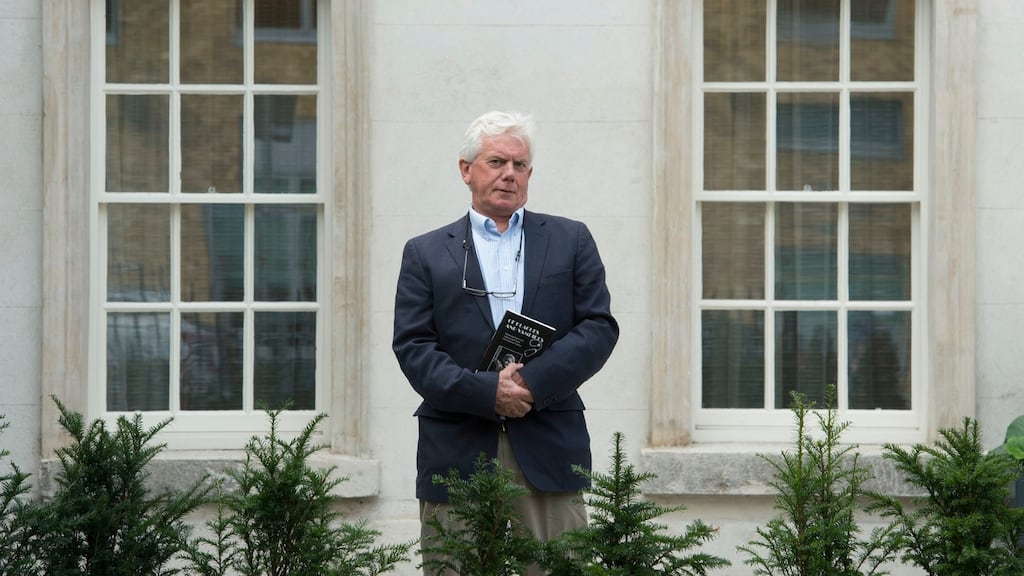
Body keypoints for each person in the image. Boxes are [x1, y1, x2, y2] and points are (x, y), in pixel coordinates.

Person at [392, 110, 619, 575]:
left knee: (560, 568)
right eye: (496, 161)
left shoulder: (570, 240)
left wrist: (530, 385)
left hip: (548, 440)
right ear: (466, 170)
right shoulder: (425, 251)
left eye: (519, 165)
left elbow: (598, 328)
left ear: (530, 174)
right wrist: (486, 392)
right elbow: (413, 347)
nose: (509, 174)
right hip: (456, 444)